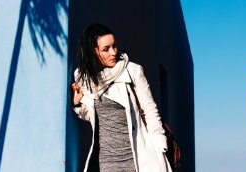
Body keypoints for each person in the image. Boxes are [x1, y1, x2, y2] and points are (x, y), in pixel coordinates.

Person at [71, 23, 172, 172]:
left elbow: (150, 110)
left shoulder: (132, 70)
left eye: (114, 46)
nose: (113, 52)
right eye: (106, 49)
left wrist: (160, 147)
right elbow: (93, 116)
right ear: (93, 52)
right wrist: (78, 104)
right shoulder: (83, 78)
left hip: (137, 158)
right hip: (104, 162)